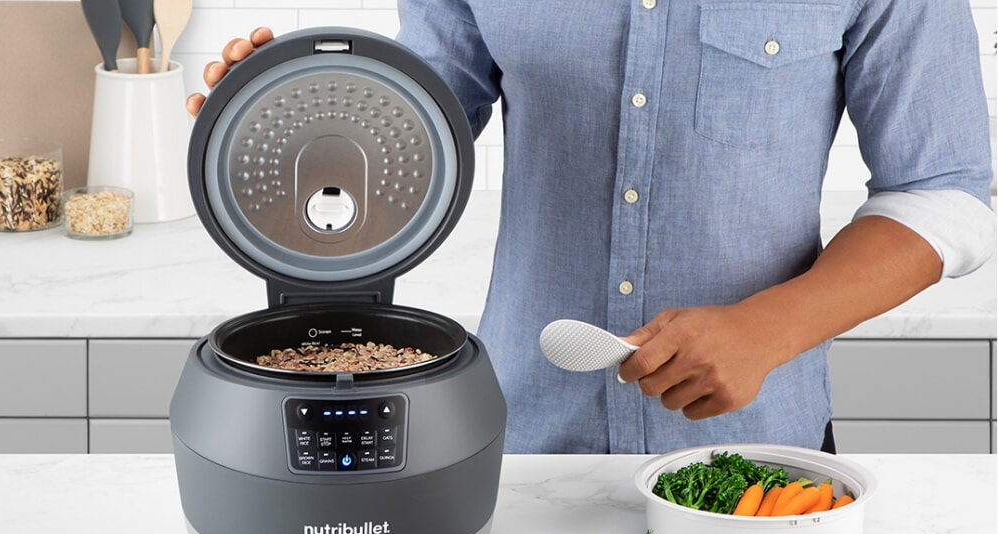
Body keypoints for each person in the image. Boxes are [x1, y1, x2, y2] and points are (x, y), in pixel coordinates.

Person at [188, 1, 995, 455]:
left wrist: (767, 328)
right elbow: (413, 134)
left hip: (756, 465)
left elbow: (945, 190)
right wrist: (286, 113)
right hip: (519, 449)